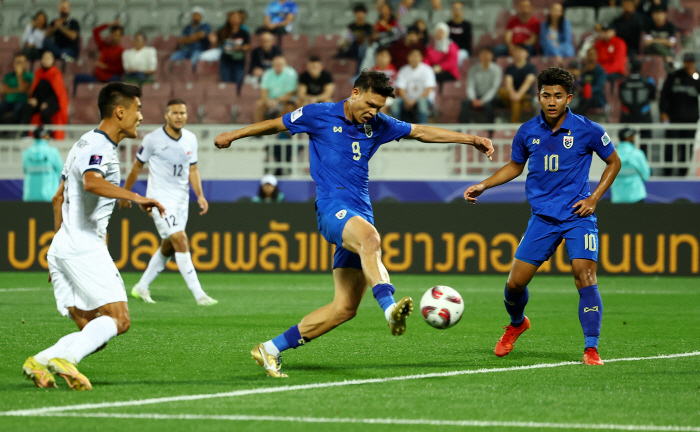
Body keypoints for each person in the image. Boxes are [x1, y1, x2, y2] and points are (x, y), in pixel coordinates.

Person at [214, 70, 494, 378]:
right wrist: (233, 135)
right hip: (333, 207)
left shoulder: (378, 125)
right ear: (355, 93)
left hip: (361, 212)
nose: (374, 112)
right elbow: (275, 124)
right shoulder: (318, 114)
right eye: (371, 104)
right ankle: (390, 310)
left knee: (344, 308)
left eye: (380, 107)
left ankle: (269, 349)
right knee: (371, 240)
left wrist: (471, 139)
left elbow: (421, 131)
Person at [464, 67, 621, 366]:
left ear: (568, 98)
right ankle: (517, 323)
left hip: (577, 215)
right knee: (514, 286)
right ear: (538, 96)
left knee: (584, 275)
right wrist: (484, 184)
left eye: (558, 96)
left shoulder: (588, 129)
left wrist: (594, 198)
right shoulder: (527, 132)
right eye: (546, 95)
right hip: (542, 219)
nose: (551, 101)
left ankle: (591, 349)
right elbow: (514, 166)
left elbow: (614, 162)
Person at [22, 82, 164, 391]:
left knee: (93, 329)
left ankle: (40, 361)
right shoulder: (100, 148)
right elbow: (91, 183)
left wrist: (59, 249)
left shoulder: (82, 143)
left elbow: (57, 197)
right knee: (120, 320)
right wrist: (137, 197)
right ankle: (67, 360)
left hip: (65, 245)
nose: (141, 116)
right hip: (83, 246)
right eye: (138, 109)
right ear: (120, 111)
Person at [121, 99, 217, 306]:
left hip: (181, 200)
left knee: (169, 246)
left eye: (183, 113)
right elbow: (136, 167)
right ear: (166, 115)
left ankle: (141, 287)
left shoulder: (191, 139)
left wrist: (199, 195)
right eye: (175, 113)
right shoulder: (152, 139)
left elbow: (193, 169)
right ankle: (200, 295)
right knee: (181, 239)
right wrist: (126, 194)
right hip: (160, 200)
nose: (179, 116)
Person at [659, 53, 700, 177]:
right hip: (674, 118)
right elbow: (664, 95)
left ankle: (683, 172)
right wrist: (663, 112)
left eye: (691, 61)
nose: (689, 64)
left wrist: (693, 76)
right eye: (687, 61)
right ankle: (667, 173)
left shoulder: (697, 77)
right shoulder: (674, 75)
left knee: (686, 147)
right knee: (670, 146)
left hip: (691, 119)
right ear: (683, 61)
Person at [20, 51, 69, 138]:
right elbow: (35, 90)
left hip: (53, 102)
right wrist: (34, 98)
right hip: (39, 101)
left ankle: (49, 135)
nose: (45, 60)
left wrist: (47, 103)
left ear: (52, 60)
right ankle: (25, 134)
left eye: (48, 58)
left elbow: (57, 93)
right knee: (27, 107)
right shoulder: (38, 73)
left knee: (45, 111)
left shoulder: (56, 73)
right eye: (44, 58)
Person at [73, 22, 125, 94]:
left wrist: (105, 66)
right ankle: (73, 99)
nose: (115, 37)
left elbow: (120, 69)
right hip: (98, 77)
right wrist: (109, 24)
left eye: (118, 35)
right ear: (110, 35)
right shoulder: (103, 46)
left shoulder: (122, 51)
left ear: (121, 37)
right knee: (78, 78)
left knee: (116, 80)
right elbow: (95, 31)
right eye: (113, 34)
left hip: (111, 78)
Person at [392, 48, 437, 124]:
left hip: (424, 99)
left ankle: (423, 129)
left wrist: (414, 100)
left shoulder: (427, 70)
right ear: (408, 57)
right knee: (395, 103)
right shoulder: (403, 70)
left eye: (417, 56)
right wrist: (407, 100)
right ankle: (396, 128)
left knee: (422, 103)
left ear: (421, 57)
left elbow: (428, 90)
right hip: (407, 99)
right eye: (412, 56)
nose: (415, 58)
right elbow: (401, 89)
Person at [460, 47, 502, 124]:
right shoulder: (473, 69)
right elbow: (470, 86)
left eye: (487, 54)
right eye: (483, 54)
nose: (485, 57)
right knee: (464, 103)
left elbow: (494, 88)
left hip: (491, 97)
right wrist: (473, 99)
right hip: (476, 97)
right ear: (479, 56)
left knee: (490, 105)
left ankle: (490, 131)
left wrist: (483, 100)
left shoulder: (497, 69)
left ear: (492, 56)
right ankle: (464, 129)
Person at [22, 126, 63, 202]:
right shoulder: (53, 151)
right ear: (44, 136)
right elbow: (61, 170)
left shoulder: (26, 152)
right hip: (49, 196)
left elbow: (25, 170)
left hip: (29, 196)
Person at [499, 44, 538, 123]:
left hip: (526, 97)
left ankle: (514, 125)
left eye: (522, 51)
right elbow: (508, 82)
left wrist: (518, 95)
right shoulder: (510, 68)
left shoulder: (531, 67)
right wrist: (513, 94)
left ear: (527, 54)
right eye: (517, 51)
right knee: (501, 91)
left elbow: (528, 82)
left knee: (516, 101)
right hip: (511, 96)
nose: (519, 53)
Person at [611, 128, 650, 203]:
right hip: (636, 195)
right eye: (632, 136)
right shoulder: (638, 154)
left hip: (618, 197)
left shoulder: (611, 155)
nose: (634, 138)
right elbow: (646, 175)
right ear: (628, 138)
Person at [619, 59, 655, 139]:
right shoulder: (648, 81)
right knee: (645, 143)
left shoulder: (623, 82)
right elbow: (652, 96)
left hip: (627, 116)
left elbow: (620, 97)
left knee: (626, 141)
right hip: (644, 115)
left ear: (630, 68)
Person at [255, 55, 298, 123]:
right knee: (259, 105)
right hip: (270, 100)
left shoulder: (291, 73)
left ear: (285, 64)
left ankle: (283, 130)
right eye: (276, 64)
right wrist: (268, 101)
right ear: (272, 65)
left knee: (289, 108)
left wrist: (277, 100)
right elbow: (264, 91)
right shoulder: (267, 73)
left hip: (285, 101)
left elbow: (290, 93)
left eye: (280, 64)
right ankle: (258, 129)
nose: (278, 66)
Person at [217, 11, 250, 90]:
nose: (234, 19)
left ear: (240, 20)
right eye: (232, 17)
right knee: (227, 84)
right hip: (226, 61)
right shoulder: (223, 31)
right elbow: (218, 44)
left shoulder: (244, 33)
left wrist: (240, 47)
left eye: (236, 17)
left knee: (238, 83)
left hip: (238, 61)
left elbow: (247, 46)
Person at [568, 49, 606, 116]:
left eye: (593, 55)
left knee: (587, 99)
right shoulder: (584, 70)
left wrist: (587, 90)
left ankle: (576, 114)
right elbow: (580, 82)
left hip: (596, 97)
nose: (591, 57)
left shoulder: (600, 71)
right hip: (582, 95)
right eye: (589, 54)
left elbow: (599, 87)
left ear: (596, 56)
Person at [424, 22, 460, 88]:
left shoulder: (452, 46)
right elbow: (427, 60)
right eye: (437, 32)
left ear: (446, 34)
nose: (439, 34)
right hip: (433, 70)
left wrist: (440, 67)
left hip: (449, 72)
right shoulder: (431, 47)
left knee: (432, 77)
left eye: (441, 32)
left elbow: (452, 62)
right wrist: (426, 68)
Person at [0, 53, 33, 125]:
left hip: (21, 101)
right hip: (8, 101)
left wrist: (19, 75)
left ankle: (14, 130)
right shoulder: (8, 75)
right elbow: (5, 90)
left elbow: (23, 89)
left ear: (25, 64)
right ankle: (5, 127)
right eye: (16, 62)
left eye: (20, 62)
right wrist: (18, 90)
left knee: (17, 111)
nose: (18, 65)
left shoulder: (29, 75)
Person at [642, 5, 677, 71]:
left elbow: (671, 43)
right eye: (656, 14)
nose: (658, 16)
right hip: (652, 50)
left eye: (661, 14)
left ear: (665, 15)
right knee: (654, 45)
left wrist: (654, 40)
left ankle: (668, 60)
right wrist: (664, 41)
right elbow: (647, 42)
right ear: (652, 15)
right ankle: (669, 58)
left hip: (666, 49)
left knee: (655, 45)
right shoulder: (649, 26)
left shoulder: (670, 26)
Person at [446, 2, 472, 66]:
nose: (457, 12)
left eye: (459, 9)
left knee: (459, 55)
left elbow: (467, 42)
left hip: (462, 50)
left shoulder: (467, 25)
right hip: (450, 49)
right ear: (451, 11)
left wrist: (456, 49)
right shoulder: (447, 25)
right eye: (455, 9)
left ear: (463, 11)